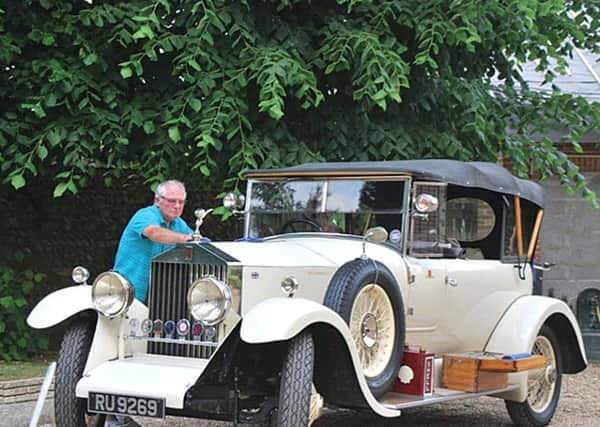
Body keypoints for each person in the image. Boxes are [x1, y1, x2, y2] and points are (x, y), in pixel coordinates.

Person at [113, 179, 193, 305]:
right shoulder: (144, 215)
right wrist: (184, 239)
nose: (177, 206)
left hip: (159, 297)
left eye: (181, 202)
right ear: (157, 200)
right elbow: (154, 233)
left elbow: (196, 242)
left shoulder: (179, 224)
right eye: (172, 201)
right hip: (127, 293)